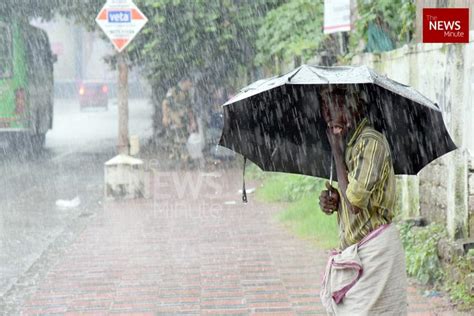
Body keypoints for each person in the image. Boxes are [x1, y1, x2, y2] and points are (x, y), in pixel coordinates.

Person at [318, 86, 407, 315]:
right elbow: (351, 199)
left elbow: (356, 202)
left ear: (356, 106)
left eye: (335, 104)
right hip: (357, 252)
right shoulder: (351, 145)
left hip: (376, 254)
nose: (328, 114)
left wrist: (337, 154)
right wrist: (335, 201)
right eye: (324, 106)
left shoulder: (370, 143)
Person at [161, 78, 197, 165]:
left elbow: (189, 108)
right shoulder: (174, 91)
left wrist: (192, 121)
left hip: (183, 120)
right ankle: (179, 157)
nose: (190, 86)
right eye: (190, 83)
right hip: (174, 119)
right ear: (185, 81)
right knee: (176, 138)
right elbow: (165, 103)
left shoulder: (187, 93)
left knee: (183, 138)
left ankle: (181, 158)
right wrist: (165, 117)